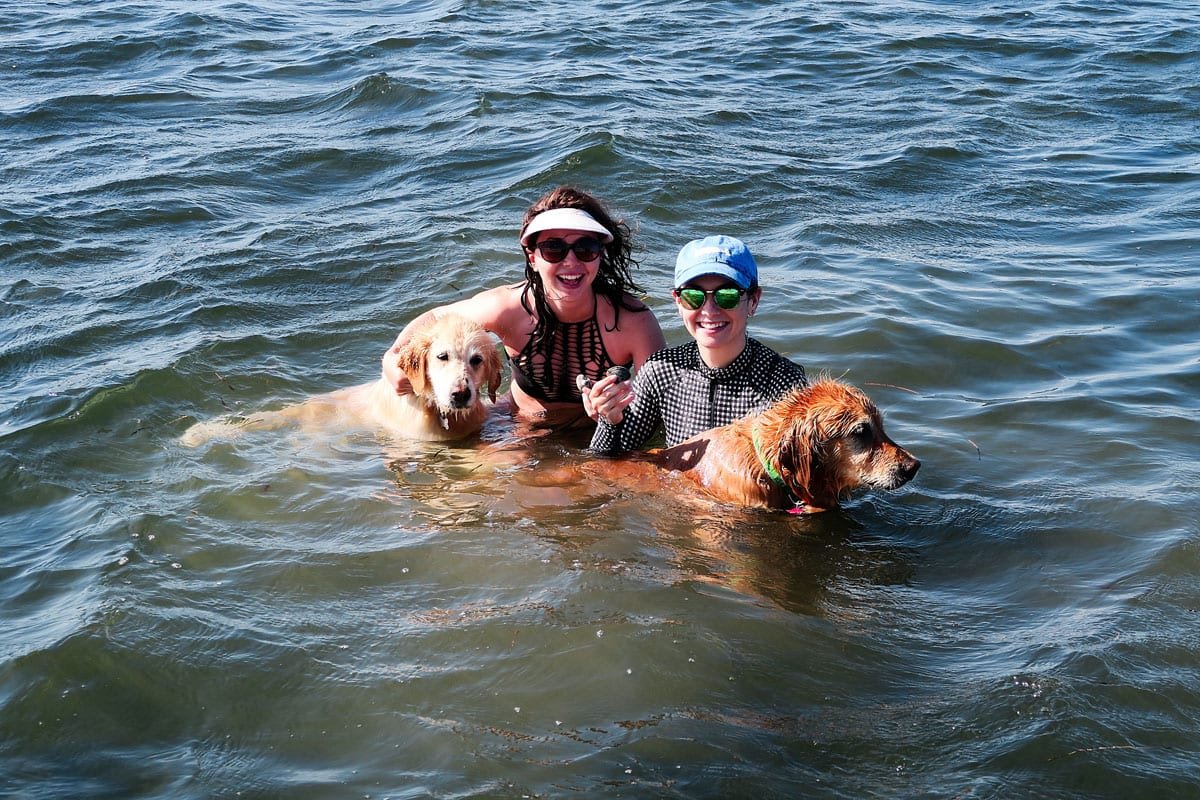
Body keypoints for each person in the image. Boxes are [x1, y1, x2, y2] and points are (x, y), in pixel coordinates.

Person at [382, 186, 665, 431]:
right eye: (553, 249)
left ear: (600, 255)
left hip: (594, 434)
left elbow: (662, 407)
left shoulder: (633, 323)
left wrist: (618, 411)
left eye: (585, 248)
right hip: (512, 428)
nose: (571, 262)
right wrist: (392, 359)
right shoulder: (509, 307)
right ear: (532, 257)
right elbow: (434, 318)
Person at [584, 235, 807, 452]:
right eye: (694, 296)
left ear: (753, 301)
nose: (709, 310)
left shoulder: (783, 383)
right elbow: (607, 463)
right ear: (678, 302)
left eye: (726, 295)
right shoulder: (662, 370)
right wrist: (610, 419)